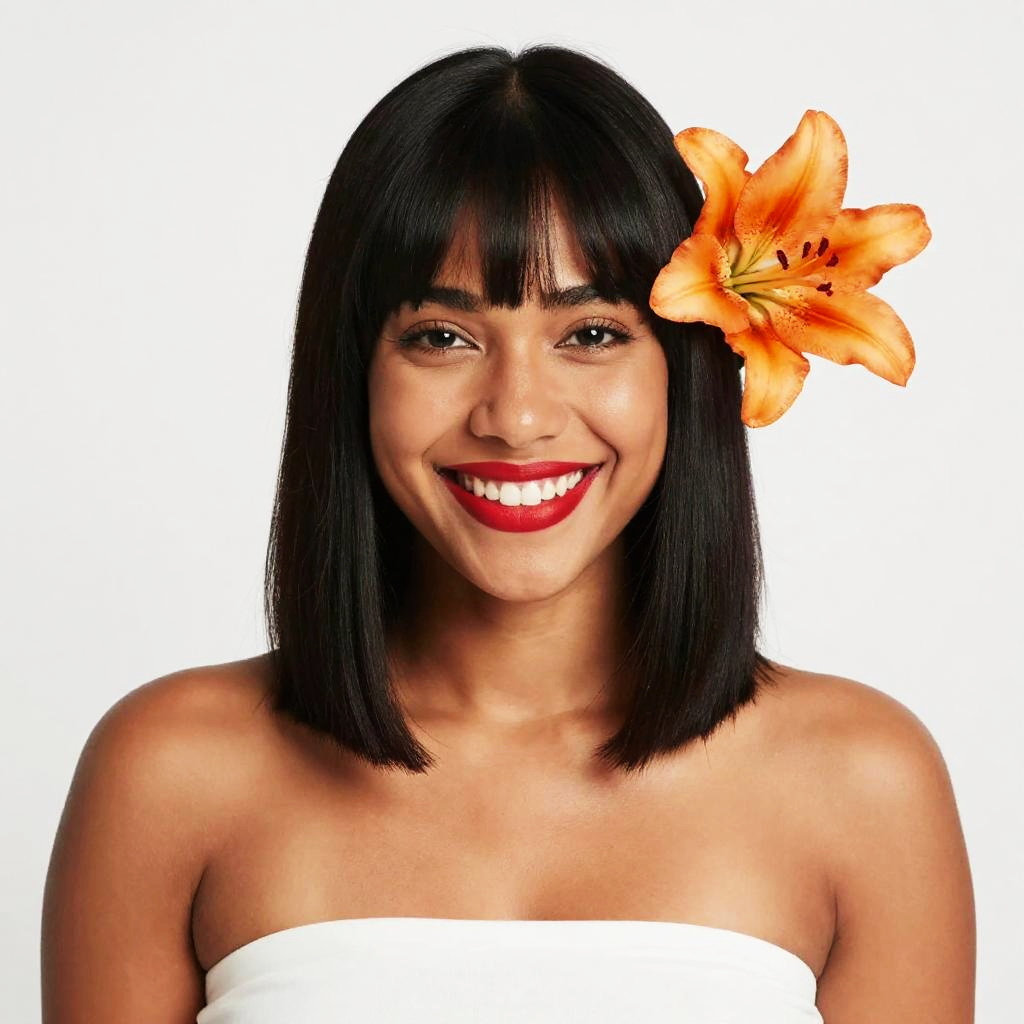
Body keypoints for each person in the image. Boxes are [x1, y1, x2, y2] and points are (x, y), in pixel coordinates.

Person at [40, 44, 975, 1023]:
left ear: (690, 366)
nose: (517, 416)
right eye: (441, 337)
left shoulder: (865, 782)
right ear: (352, 371)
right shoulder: (168, 772)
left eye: (592, 333)